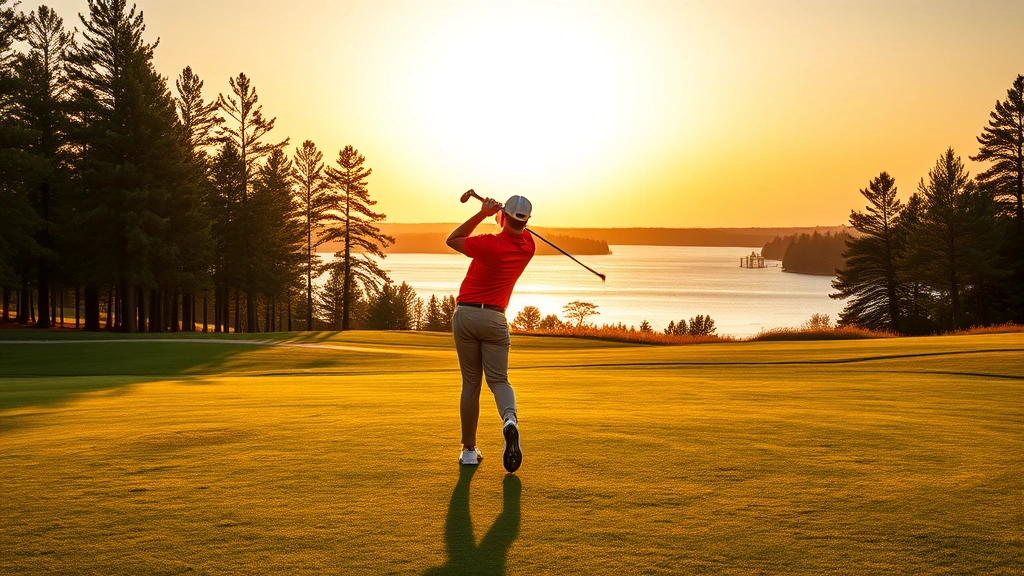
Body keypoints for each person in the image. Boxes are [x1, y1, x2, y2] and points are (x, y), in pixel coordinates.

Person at [446, 194, 535, 473]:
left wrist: (483, 213)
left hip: (466, 315)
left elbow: (453, 239)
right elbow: (515, 229)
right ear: (527, 221)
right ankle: (509, 419)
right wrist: (503, 214)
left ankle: (469, 451)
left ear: (504, 216)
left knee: (471, 384)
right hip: (495, 319)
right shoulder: (528, 246)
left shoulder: (489, 243)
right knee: (499, 381)